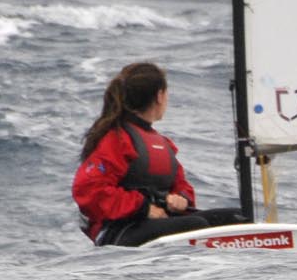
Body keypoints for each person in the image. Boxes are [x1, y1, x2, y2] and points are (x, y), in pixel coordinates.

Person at [73, 62, 247, 246]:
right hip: (119, 231)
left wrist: (180, 199)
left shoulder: (162, 144)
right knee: (196, 225)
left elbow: (181, 186)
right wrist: (144, 209)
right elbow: (89, 191)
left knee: (236, 218)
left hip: (156, 223)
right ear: (160, 95)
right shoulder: (116, 139)